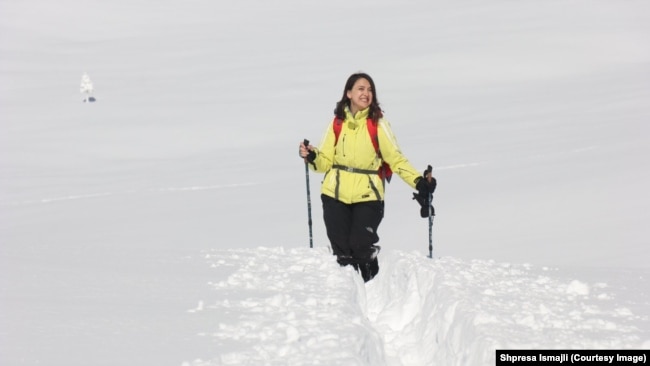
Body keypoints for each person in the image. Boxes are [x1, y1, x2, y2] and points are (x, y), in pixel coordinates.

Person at [299, 72, 436, 282]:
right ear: (349, 93)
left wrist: (418, 181)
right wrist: (313, 155)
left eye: (370, 89)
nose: (366, 93)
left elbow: (395, 159)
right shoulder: (337, 123)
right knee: (341, 251)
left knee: (360, 245)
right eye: (361, 89)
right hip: (334, 195)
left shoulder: (378, 124)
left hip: (368, 196)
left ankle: (372, 290)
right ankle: (347, 299)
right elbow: (324, 161)